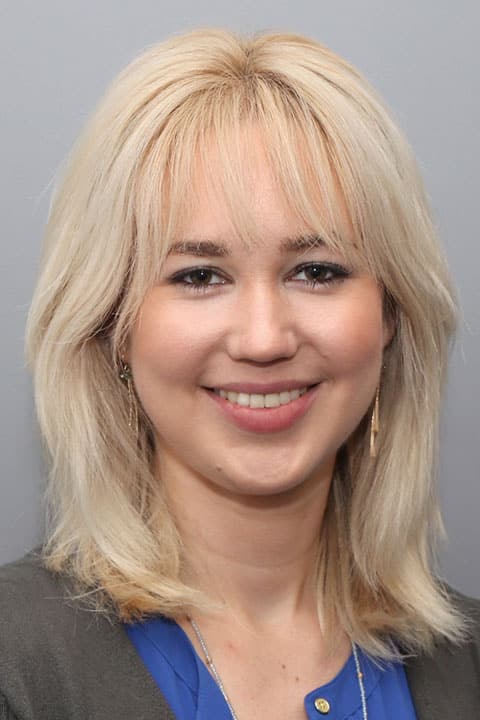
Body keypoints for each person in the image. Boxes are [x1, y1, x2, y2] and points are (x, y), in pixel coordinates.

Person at [0, 27, 479, 720]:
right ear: (114, 327)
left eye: (317, 270)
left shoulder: (466, 667)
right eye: (200, 275)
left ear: (391, 316)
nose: (264, 339)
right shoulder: (16, 663)